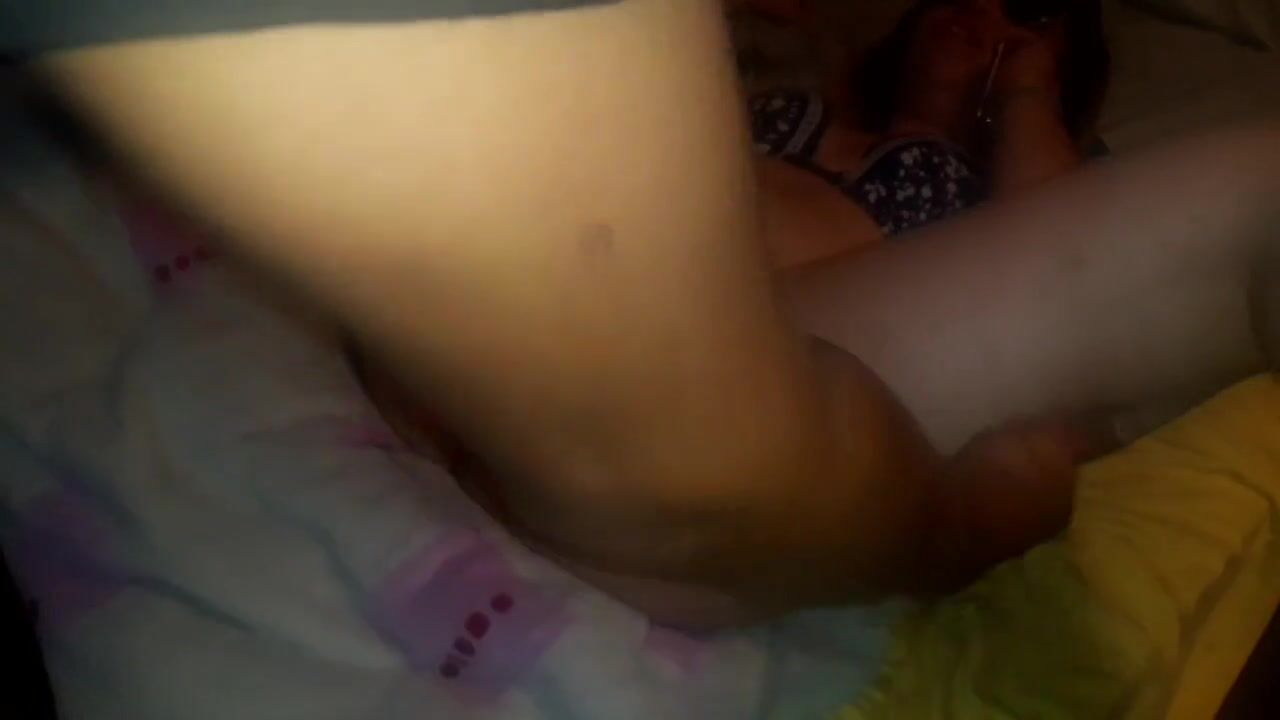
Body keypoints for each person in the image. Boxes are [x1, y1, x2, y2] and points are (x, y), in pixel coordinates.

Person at [6, 0, 1279, 631]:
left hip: (771, 363)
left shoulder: (964, 181)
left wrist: (1028, 97)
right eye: (963, 2)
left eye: (1020, 20)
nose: (980, 20)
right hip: (559, 352)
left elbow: (1052, 226)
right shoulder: (785, 106)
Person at [750, 0, 1109, 268]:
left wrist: (1027, 92)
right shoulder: (794, 111)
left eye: (1024, 7)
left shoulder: (982, 202)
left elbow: (1063, 264)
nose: (979, 4)